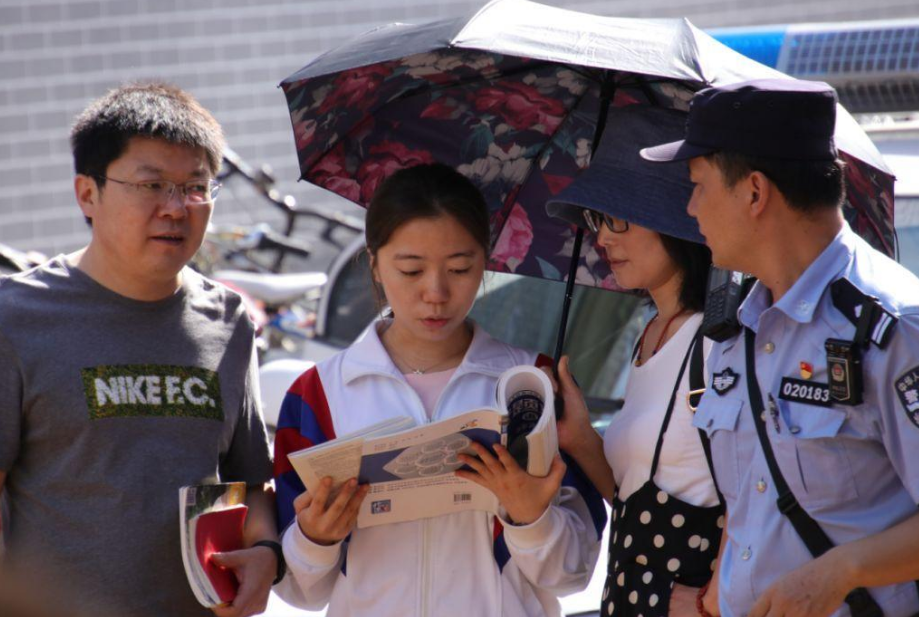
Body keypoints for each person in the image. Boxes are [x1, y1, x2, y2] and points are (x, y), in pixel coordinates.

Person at [0, 82, 280, 617]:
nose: (176, 208)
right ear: (87, 194)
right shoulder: (12, 320)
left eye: (195, 186)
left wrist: (264, 553)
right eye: (152, 185)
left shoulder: (229, 322)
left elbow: (249, 484)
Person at [272, 162, 606, 616]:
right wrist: (316, 538)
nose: (436, 292)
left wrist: (530, 516)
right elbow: (299, 592)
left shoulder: (532, 385)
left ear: (485, 261)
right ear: (374, 264)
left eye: (460, 268)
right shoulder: (317, 395)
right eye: (411, 271)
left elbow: (573, 575)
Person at [641, 78, 919, 617]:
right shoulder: (734, 328)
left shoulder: (894, 326)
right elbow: (756, 503)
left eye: (698, 184)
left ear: (754, 192)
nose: (690, 208)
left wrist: (841, 572)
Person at [546, 106, 723, 617]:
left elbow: (753, 495)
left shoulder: (719, 341)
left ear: (672, 214)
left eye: (617, 216)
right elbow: (636, 499)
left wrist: (716, 599)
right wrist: (579, 436)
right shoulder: (648, 336)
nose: (601, 237)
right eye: (597, 219)